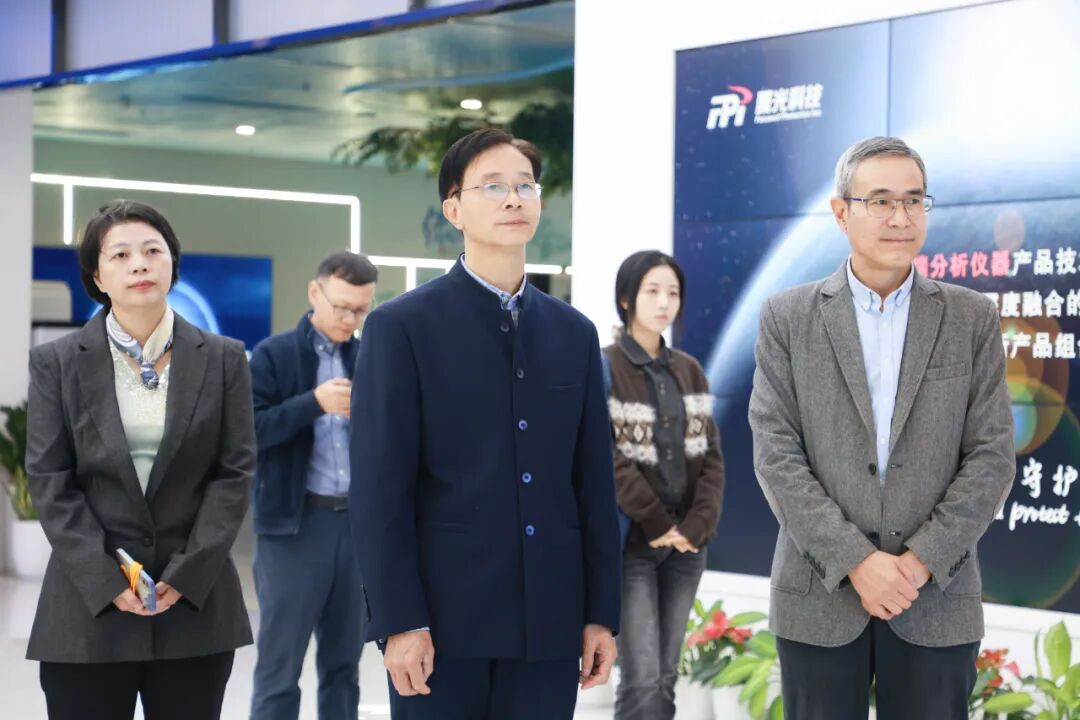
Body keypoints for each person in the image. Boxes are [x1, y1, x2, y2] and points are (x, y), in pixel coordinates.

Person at [349, 128, 622, 720]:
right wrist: (400, 621)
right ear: (454, 209)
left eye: (526, 186)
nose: (514, 198)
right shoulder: (402, 327)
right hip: (442, 626)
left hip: (549, 623)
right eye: (493, 186)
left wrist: (600, 613)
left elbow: (595, 485)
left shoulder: (573, 333)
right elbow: (379, 490)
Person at [748, 137, 1015, 720]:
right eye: (881, 201)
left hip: (935, 599)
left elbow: (992, 457)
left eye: (914, 200)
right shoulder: (787, 317)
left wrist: (916, 564)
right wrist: (857, 562)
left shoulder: (971, 317)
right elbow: (776, 455)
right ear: (841, 212)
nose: (901, 217)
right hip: (819, 598)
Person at [25, 199, 255, 720]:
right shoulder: (56, 363)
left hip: (193, 606)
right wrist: (105, 580)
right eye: (121, 255)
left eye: (153, 251)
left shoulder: (224, 359)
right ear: (97, 276)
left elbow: (233, 474)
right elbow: (50, 479)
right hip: (87, 609)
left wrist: (189, 572)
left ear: (172, 262)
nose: (139, 264)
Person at [248, 251, 378, 720]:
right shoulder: (274, 355)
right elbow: (249, 433)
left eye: (360, 311)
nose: (349, 319)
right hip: (294, 528)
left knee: (345, 667)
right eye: (341, 307)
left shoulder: (370, 359)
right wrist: (313, 404)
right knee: (279, 669)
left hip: (357, 530)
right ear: (314, 293)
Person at [602, 250, 726, 720]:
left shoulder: (689, 370)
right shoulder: (605, 366)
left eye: (672, 293)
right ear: (626, 299)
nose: (664, 303)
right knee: (642, 677)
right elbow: (606, 457)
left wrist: (695, 527)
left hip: (686, 548)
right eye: (652, 291)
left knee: (667, 675)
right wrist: (654, 521)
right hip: (633, 544)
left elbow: (711, 458)